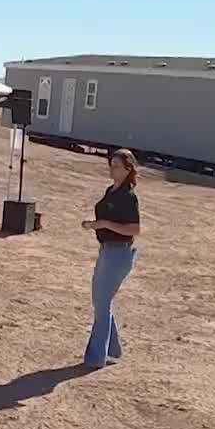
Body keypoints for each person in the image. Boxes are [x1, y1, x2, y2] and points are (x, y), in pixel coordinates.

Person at [83, 149, 143, 368]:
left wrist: (105, 224)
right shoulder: (111, 191)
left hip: (118, 253)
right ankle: (112, 349)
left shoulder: (128, 196)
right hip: (107, 250)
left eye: (117, 166)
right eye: (111, 165)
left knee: (102, 302)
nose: (112, 169)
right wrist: (93, 225)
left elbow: (135, 229)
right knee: (101, 301)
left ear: (128, 169)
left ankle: (96, 357)